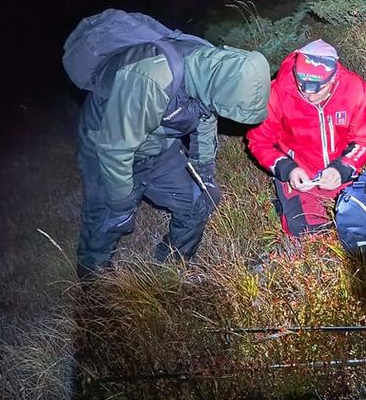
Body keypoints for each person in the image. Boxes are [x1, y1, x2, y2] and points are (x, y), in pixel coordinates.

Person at [75, 22, 271, 278]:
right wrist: (121, 204)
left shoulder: (213, 71)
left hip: (159, 146)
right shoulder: (152, 80)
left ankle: (171, 268)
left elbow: (204, 119)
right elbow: (115, 149)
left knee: (199, 200)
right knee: (105, 222)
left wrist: (205, 174)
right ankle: (94, 291)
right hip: (107, 149)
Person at [246, 39, 366, 237]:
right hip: (299, 177)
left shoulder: (353, 89)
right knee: (306, 236)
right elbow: (259, 141)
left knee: (364, 228)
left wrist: (342, 167)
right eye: (302, 86)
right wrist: (287, 169)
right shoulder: (278, 92)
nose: (309, 95)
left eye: (317, 88)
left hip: (339, 172)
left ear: (333, 78)